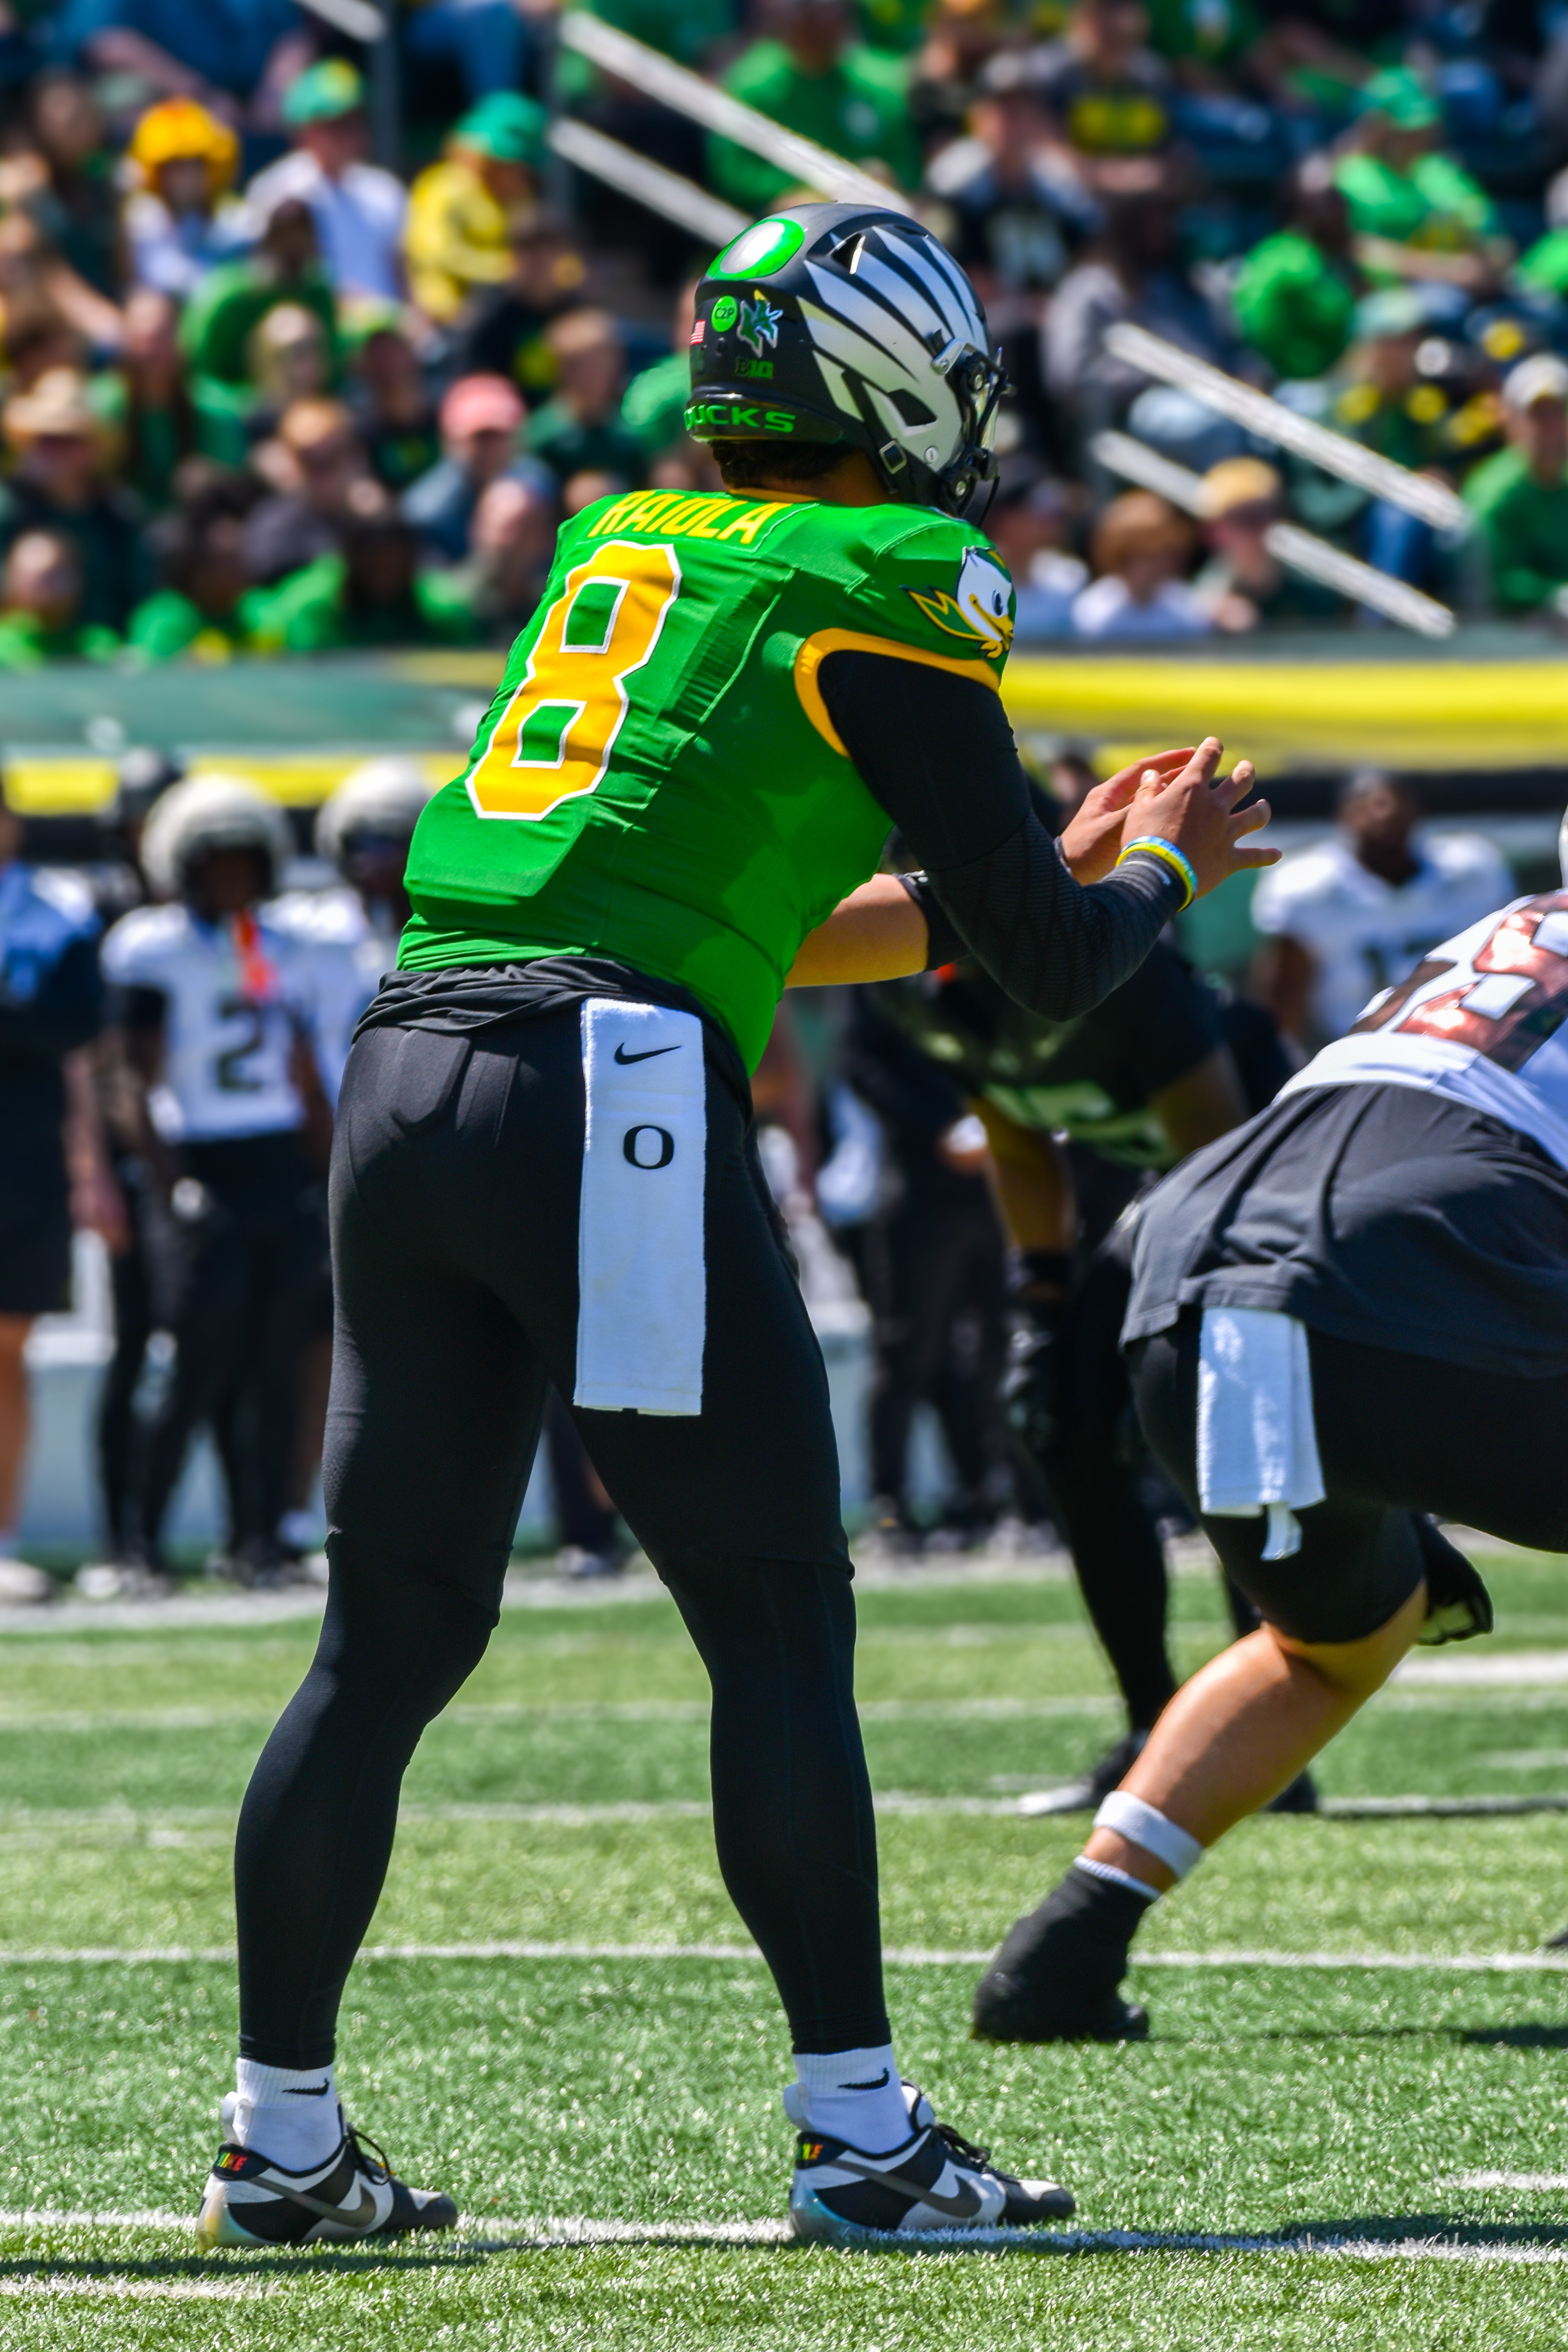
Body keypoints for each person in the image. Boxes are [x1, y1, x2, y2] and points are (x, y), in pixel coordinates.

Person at [193, 198, 1273, 2253]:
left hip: (416, 1059)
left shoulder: (631, 547)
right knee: (777, 1612)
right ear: (897, 382)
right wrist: (1154, 880)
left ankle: (282, 2130)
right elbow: (1047, 973)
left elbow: (811, 923)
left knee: (388, 1635)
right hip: (600, 1083)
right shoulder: (896, 570)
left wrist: (1057, 867)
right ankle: (860, 2131)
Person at [972, 855, 1568, 2045]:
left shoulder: (1496, 936)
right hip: (1406, 1249)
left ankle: (1066, 1945)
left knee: (1330, 1646)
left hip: (1192, 1260)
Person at [100, 775, 330, 1585]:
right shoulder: (150, 945)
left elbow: (305, 1072)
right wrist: (167, 1180)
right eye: (217, 861)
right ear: (184, 866)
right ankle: (139, 1544)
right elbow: (128, 1076)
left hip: (277, 1159)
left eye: (245, 862)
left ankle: (259, 1539)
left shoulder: (286, 946)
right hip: (198, 1157)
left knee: (277, 1362)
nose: (233, 877)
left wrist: (322, 1165)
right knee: (198, 1363)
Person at [0, 777, 111, 1602]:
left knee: (7, 1348)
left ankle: (2, 1536)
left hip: (21, 1161)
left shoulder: (57, 910)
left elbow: (76, 1024)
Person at [1249, 769, 1512, 1050]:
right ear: (1342, 816)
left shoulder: (1471, 871)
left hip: (1462, 1044)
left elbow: (1510, 961)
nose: (1383, 811)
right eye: (1366, 801)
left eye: (1393, 800)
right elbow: (1283, 998)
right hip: (1355, 1054)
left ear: (1415, 811)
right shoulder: (1305, 887)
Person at [708, 0, 920, 214]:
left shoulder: (883, 83)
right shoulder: (751, 85)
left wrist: (885, 177)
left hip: (872, 218)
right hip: (783, 224)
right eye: (801, 11)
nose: (813, 24)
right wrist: (803, 194)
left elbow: (906, 168)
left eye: (825, 10)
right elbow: (734, 172)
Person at [243, 61, 406, 306]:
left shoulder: (386, 189)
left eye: (356, 120)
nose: (351, 132)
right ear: (304, 131)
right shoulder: (274, 191)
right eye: (337, 124)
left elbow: (402, 274)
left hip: (389, 333)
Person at [0, 367, 150, 632]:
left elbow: (141, 600)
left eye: (68, 440)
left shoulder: (119, 514)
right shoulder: (9, 509)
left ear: (92, 449)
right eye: (45, 439)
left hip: (106, 659)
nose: (54, 451)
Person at [403, 93, 547, 329]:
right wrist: (503, 268)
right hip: (446, 322)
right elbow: (434, 253)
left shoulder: (516, 200)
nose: (519, 175)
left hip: (500, 316)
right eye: (510, 164)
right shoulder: (448, 187)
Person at [1232, 154, 1360, 383]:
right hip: (1295, 383)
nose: (1338, 209)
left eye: (1338, 200)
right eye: (1327, 201)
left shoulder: (1329, 255)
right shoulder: (1291, 258)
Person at [402, 373, 552, 565]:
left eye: (498, 436)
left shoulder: (541, 485)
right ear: (450, 442)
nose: (490, 449)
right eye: (479, 438)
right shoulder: (424, 514)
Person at [1463, 352, 1568, 616]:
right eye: (1537, 415)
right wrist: (1555, 595)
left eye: (1557, 413)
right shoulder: (1494, 493)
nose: (1548, 426)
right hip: (1509, 632)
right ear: (1511, 419)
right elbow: (1498, 581)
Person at [123, 95, 246, 301]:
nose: (187, 178)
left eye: (194, 164)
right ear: (158, 173)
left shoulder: (237, 218)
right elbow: (166, 280)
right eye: (175, 167)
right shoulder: (143, 218)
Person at [524, 310, 648, 496]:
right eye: (587, 366)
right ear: (564, 370)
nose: (598, 375)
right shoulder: (542, 435)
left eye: (604, 363)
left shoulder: (632, 428)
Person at [1072, 489, 1210, 639]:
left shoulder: (1188, 608)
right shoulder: (1095, 611)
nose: (1164, 561)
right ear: (1124, 555)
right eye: (1150, 553)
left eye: (1167, 551)